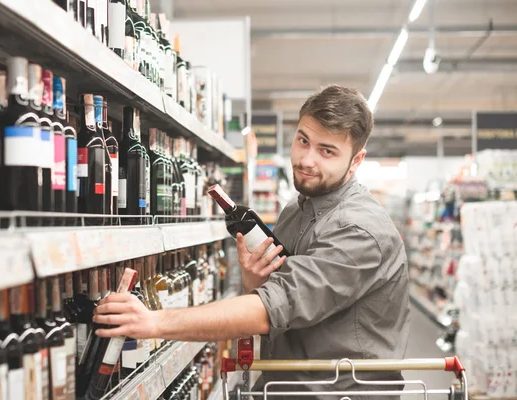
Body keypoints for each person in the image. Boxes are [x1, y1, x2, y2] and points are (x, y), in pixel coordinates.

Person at [93, 85, 410, 399]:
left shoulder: (360, 229)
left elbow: (269, 309)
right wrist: (254, 281)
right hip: (287, 385)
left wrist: (154, 321)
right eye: (303, 141)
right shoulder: (295, 210)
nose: (306, 159)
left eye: (327, 151)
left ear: (356, 161)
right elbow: (276, 301)